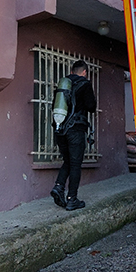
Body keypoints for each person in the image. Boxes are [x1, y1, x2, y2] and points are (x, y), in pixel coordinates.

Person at [50, 59, 97, 211]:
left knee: (68, 160)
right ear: (84, 72)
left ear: (71, 71)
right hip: (76, 129)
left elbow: (54, 106)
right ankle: (72, 199)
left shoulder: (63, 85)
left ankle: (58, 186)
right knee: (76, 164)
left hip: (60, 129)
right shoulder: (85, 83)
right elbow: (91, 107)